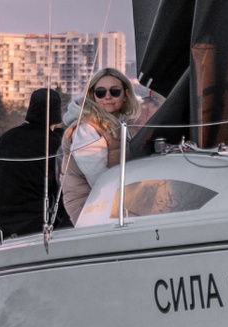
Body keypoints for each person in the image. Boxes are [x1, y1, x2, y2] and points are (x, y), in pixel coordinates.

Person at [59, 68, 156, 223]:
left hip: (109, 205)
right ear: (92, 96)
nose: (108, 96)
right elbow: (99, 181)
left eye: (115, 91)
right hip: (90, 209)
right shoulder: (86, 129)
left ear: (126, 94)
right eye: (100, 92)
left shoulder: (115, 124)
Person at [0, 87, 65, 238]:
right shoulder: (57, 145)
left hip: (0, 228)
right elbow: (64, 186)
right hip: (39, 227)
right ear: (58, 114)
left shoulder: (4, 139)